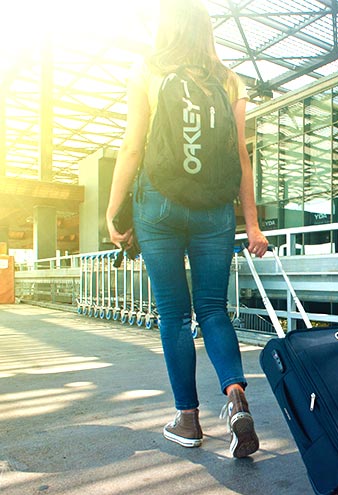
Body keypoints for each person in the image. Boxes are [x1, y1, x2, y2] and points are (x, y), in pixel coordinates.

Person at [106, 0, 268, 458]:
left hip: (157, 206)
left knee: (174, 314)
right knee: (214, 309)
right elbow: (241, 157)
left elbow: (132, 147)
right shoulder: (229, 79)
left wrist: (114, 209)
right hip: (214, 211)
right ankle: (236, 400)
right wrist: (252, 224)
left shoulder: (148, 70)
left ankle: (188, 419)